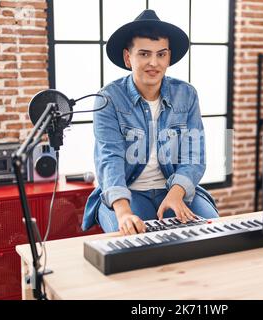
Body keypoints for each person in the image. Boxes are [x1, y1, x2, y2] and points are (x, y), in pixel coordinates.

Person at [82, 9, 219, 236]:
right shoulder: (108, 99)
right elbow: (109, 158)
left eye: (161, 54)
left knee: (213, 233)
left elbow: (194, 156)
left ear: (169, 57)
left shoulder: (187, 94)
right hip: (128, 193)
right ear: (128, 58)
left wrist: (176, 194)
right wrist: (124, 212)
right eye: (144, 54)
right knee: (133, 243)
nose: (153, 63)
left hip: (173, 189)